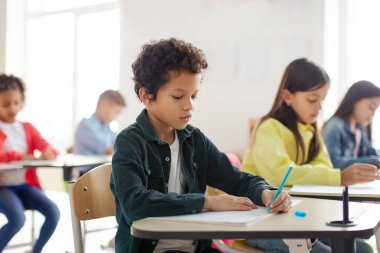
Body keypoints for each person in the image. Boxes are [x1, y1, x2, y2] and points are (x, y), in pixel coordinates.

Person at [110, 38, 292, 253]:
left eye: (194, 96)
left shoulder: (194, 140)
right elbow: (135, 204)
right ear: (146, 96)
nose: (189, 105)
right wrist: (208, 202)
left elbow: (235, 179)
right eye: (178, 96)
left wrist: (265, 193)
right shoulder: (129, 142)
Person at [242, 58, 378, 253]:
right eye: (312, 99)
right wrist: (339, 177)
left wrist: (331, 175)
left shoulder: (310, 130)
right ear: (288, 96)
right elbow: (281, 174)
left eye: (323, 99)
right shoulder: (268, 128)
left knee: (362, 248)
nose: (319, 107)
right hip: (262, 224)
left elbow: (325, 168)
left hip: (297, 218)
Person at [0, 74, 60, 253]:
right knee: (17, 219)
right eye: (6, 104)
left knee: (53, 212)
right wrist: (22, 156)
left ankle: (36, 251)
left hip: (23, 185)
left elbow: (47, 147)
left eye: (16, 102)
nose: (13, 108)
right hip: (3, 187)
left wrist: (48, 152)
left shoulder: (26, 127)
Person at [323, 80, 380, 169]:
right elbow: (332, 162)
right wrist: (374, 161)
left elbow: (372, 154)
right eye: (371, 107)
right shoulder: (334, 127)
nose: (372, 115)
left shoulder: (359, 130)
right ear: (355, 100)